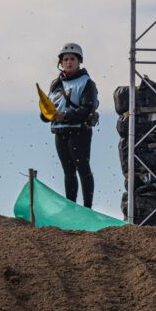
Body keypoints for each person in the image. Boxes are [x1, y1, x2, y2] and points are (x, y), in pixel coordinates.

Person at [43, 43, 99, 208]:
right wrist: (47, 114)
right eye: (65, 59)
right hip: (60, 132)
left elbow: (87, 108)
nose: (69, 62)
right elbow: (47, 109)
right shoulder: (55, 84)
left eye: (72, 59)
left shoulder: (87, 83)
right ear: (61, 62)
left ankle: (87, 207)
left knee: (82, 169)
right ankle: (70, 207)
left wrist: (65, 116)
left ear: (79, 61)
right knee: (68, 172)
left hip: (79, 131)